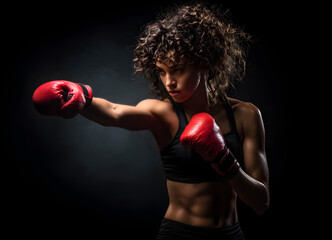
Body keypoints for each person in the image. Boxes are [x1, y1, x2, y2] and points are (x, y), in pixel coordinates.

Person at [32, 2, 269, 239]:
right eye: (162, 71)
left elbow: (261, 202)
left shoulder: (246, 115)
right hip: (177, 234)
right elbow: (114, 112)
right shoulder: (162, 114)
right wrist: (81, 95)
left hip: (231, 235)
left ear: (203, 62)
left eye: (177, 69)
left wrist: (222, 158)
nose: (169, 82)